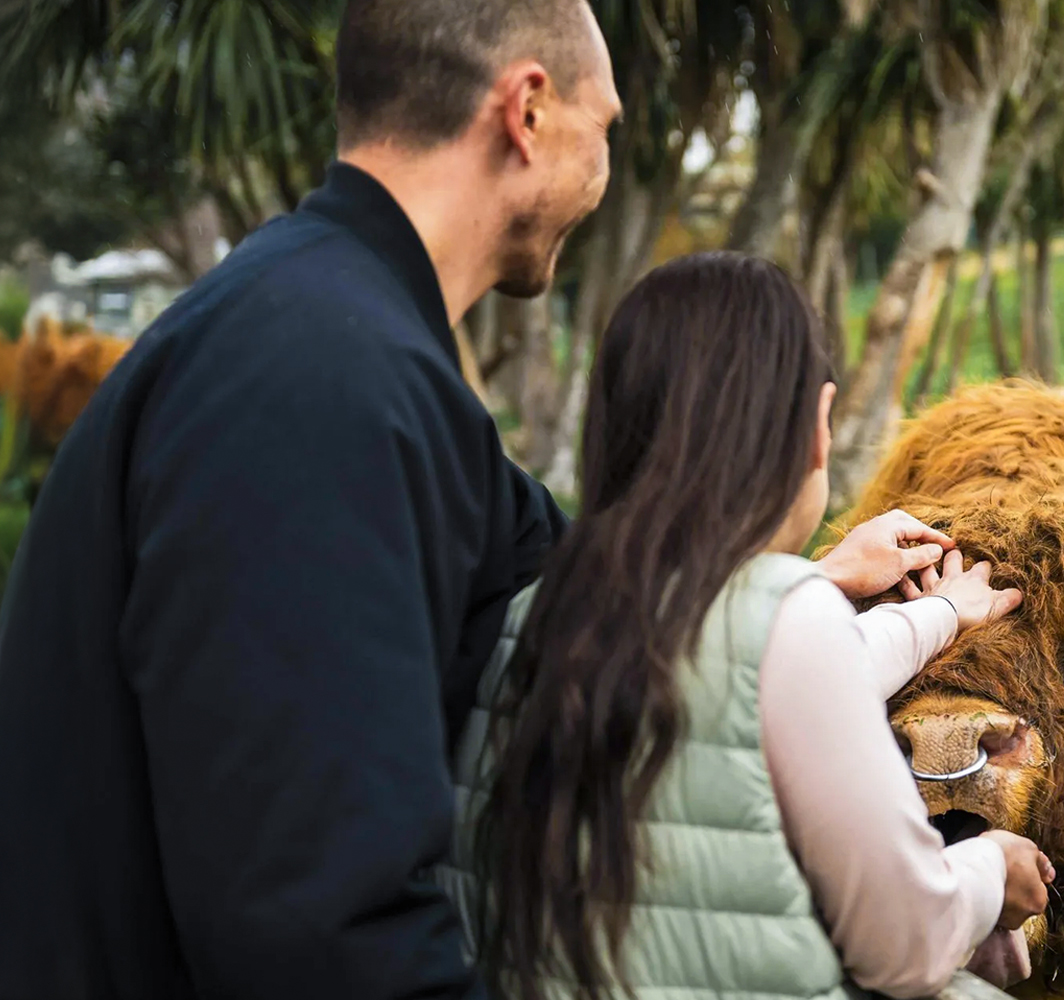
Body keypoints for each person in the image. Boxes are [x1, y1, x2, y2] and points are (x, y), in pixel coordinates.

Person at [0, 3, 953, 998]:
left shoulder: (332, 331)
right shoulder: (319, 381)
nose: (606, 171)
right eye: (607, 128)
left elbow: (576, 583)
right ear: (527, 111)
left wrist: (802, 587)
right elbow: (314, 921)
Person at [469, 252, 1054, 1000]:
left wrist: (933, 614)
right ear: (817, 426)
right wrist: (989, 872)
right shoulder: (789, 621)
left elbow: (751, 668)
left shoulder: (534, 610)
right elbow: (906, 945)